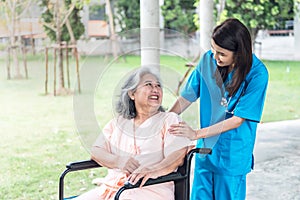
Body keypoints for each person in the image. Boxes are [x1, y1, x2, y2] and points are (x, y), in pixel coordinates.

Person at [168, 18, 269, 199]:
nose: (215, 57)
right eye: (214, 50)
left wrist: (196, 134)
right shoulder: (208, 60)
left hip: (232, 155)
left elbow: (238, 119)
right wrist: (165, 119)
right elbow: (187, 96)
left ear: (238, 53)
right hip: (205, 152)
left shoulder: (257, 74)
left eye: (221, 54)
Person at [74, 67, 191, 200]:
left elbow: (177, 157)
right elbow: (96, 151)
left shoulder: (169, 120)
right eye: (148, 85)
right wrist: (118, 161)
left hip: (150, 191)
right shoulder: (118, 123)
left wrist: (154, 170)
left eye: (158, 86)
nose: (156, 89)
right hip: (111, 190)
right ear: (132, 93)